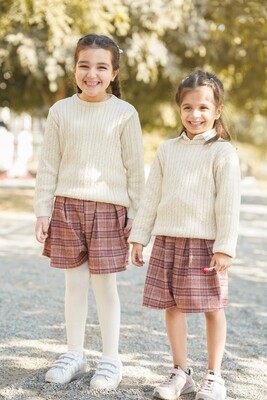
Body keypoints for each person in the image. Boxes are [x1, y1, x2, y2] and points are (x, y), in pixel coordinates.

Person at [34, 33, 145, 390]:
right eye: (84, 65)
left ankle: (111, 359)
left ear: (114, 73)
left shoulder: (125, 114)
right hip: (66, 207)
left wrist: (137, 218)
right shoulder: (60, 111)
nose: (91, 73)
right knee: (74, 284)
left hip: (109, 209)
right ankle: (75, 354)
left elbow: (135, 170)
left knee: (104, 285)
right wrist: (43, 211)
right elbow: (49, 165)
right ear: (74, 68)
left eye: (101, 67)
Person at [129, 70, 240, 400]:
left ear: (217, 110)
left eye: (204, 107)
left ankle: (214, 376)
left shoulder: (223, 153)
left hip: (207, 243)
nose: (196, 114)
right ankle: (181, 372)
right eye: (188, 107)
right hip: (168, 240)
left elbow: (228, 205)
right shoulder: (167, 150)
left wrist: (225, 248)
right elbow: (151, 197)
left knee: (212, 307)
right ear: (179, 109)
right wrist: (140, 237)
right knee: (173, 307)